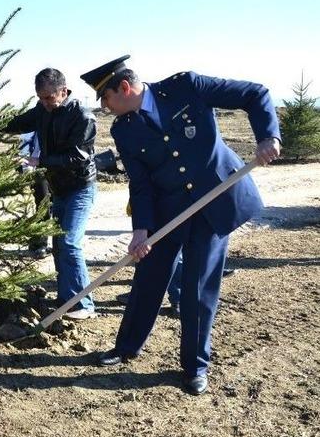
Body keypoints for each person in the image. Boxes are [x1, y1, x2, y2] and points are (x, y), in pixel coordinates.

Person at [81, 55, 281, 395]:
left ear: (124, 88)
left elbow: (255, 94)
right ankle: (127, 347)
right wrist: (141, 230)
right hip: (167, 209)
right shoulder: (123, 130)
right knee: (148, 276)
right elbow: (141, 183)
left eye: (106, 99)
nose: (104, 107)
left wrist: (267, 137)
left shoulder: (186, 87)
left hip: (213, 202)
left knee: (196, 288)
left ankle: (194, 366)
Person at [0, 68, 98, 320]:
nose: (44, 103)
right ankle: (67, 299)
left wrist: (39, 161)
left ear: (63, 91)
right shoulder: (43, 110)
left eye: (49, 98)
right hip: (59, 188)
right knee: (59, 245)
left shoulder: (82, 116)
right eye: (40, 98)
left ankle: (84, 304)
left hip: (80, 188)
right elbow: (17, 123)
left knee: (70, 242)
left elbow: (78, 156)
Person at [18, 131, 51, 259]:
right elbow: (25, 140)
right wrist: (25, 164)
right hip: (37, 168)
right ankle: (39, 243)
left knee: (55, 205)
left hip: (58, 167)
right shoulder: (38, 117)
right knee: (43, 204)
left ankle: (45, 240)